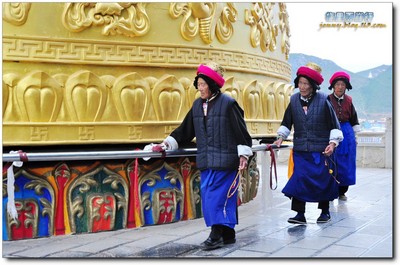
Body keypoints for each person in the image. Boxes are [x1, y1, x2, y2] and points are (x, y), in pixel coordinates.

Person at [152, 61, 253, 250]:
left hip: (226, 162)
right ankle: (228, 235)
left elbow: (242, 132)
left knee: (216, 199)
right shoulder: (197, 105)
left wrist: (244, 155)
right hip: (207, 161)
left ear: (212, 85)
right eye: (198, 84)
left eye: (203, 84)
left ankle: (215, 236)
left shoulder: (228, 103)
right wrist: (166, 143)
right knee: (214, 198)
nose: (200, 88)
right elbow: (185, 130)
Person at [274, 63, 343, 224]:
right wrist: (280, 137)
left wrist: (332, 144)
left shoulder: (323, 99)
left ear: (312, 85)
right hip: (301, 150)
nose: (302, 87)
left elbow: (334, 125)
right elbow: (287, 122)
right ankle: (299, 214)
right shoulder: (293, 100)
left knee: (323, 180)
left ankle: (324, 211)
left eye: (305, 84)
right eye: (300, 83)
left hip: (320, 150)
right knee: (299, 180)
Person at [328, 71, 361, 201]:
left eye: (342, 84)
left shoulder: (349, 101)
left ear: (346, 86)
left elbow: (354, 119)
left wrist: (355, 137)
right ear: (333, 86)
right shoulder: (327, 99)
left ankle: (342, 191)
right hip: (331, 130)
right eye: (338, 84)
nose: (340, 87)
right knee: (332, 161)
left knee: (346, 162)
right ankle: (331, 189)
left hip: (347, 131)